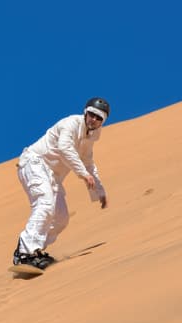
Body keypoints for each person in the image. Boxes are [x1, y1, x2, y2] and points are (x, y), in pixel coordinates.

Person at [13, 97, 110, 270]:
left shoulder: (93, 135)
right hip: (34, 163)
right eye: (91, 114)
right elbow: (65, 148)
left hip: (52, 177)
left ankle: (35, 250)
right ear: (85, 112)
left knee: (61, 218)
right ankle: (24, 252)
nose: (93, 119)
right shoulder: (70, 124)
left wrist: (99, 192)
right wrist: (83, 174)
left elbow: (88, 161)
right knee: (45, 202)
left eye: (99, 117)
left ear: (103, 121)